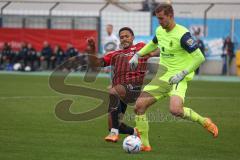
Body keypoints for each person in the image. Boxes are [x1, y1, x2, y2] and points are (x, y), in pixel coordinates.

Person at [129, 3, 218, 151]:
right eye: (158, 19)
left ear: (171, 16)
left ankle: (204, 121)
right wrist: (137, 55)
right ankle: (144, 145)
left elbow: (199, 57)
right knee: (139, 106)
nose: (160, 22)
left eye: (162, 19)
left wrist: (182, 73)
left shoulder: (182, 34)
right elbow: (152, 44)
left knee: (175, 110)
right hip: (162, 77)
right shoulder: (160, 30)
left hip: (179, 78)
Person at [86, 27, 158, 151]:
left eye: (127, 36)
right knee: (114, 124)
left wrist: (151, 53)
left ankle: (114, 133)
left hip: (133, 87)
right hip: (120, 91)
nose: (124, 39)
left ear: (133, 38)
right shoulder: (115, 54)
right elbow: (96, 64)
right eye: (122, 37)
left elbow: (157, 48)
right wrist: (92, 49)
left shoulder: (140, 47)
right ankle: (136, 132)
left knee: (112, 91)